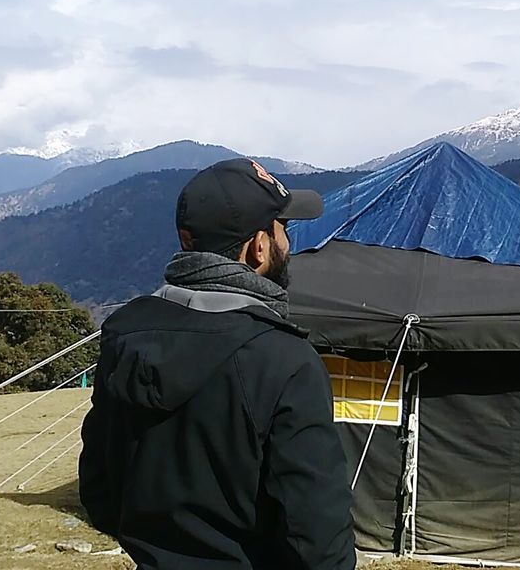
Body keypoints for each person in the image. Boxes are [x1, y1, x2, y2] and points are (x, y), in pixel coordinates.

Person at [79, 158, 355, 570]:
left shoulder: (125, 332)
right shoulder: (285, 360)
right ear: (258, 247)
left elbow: (99, 493)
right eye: (282, 229)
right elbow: (317, 539)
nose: (287, 242)